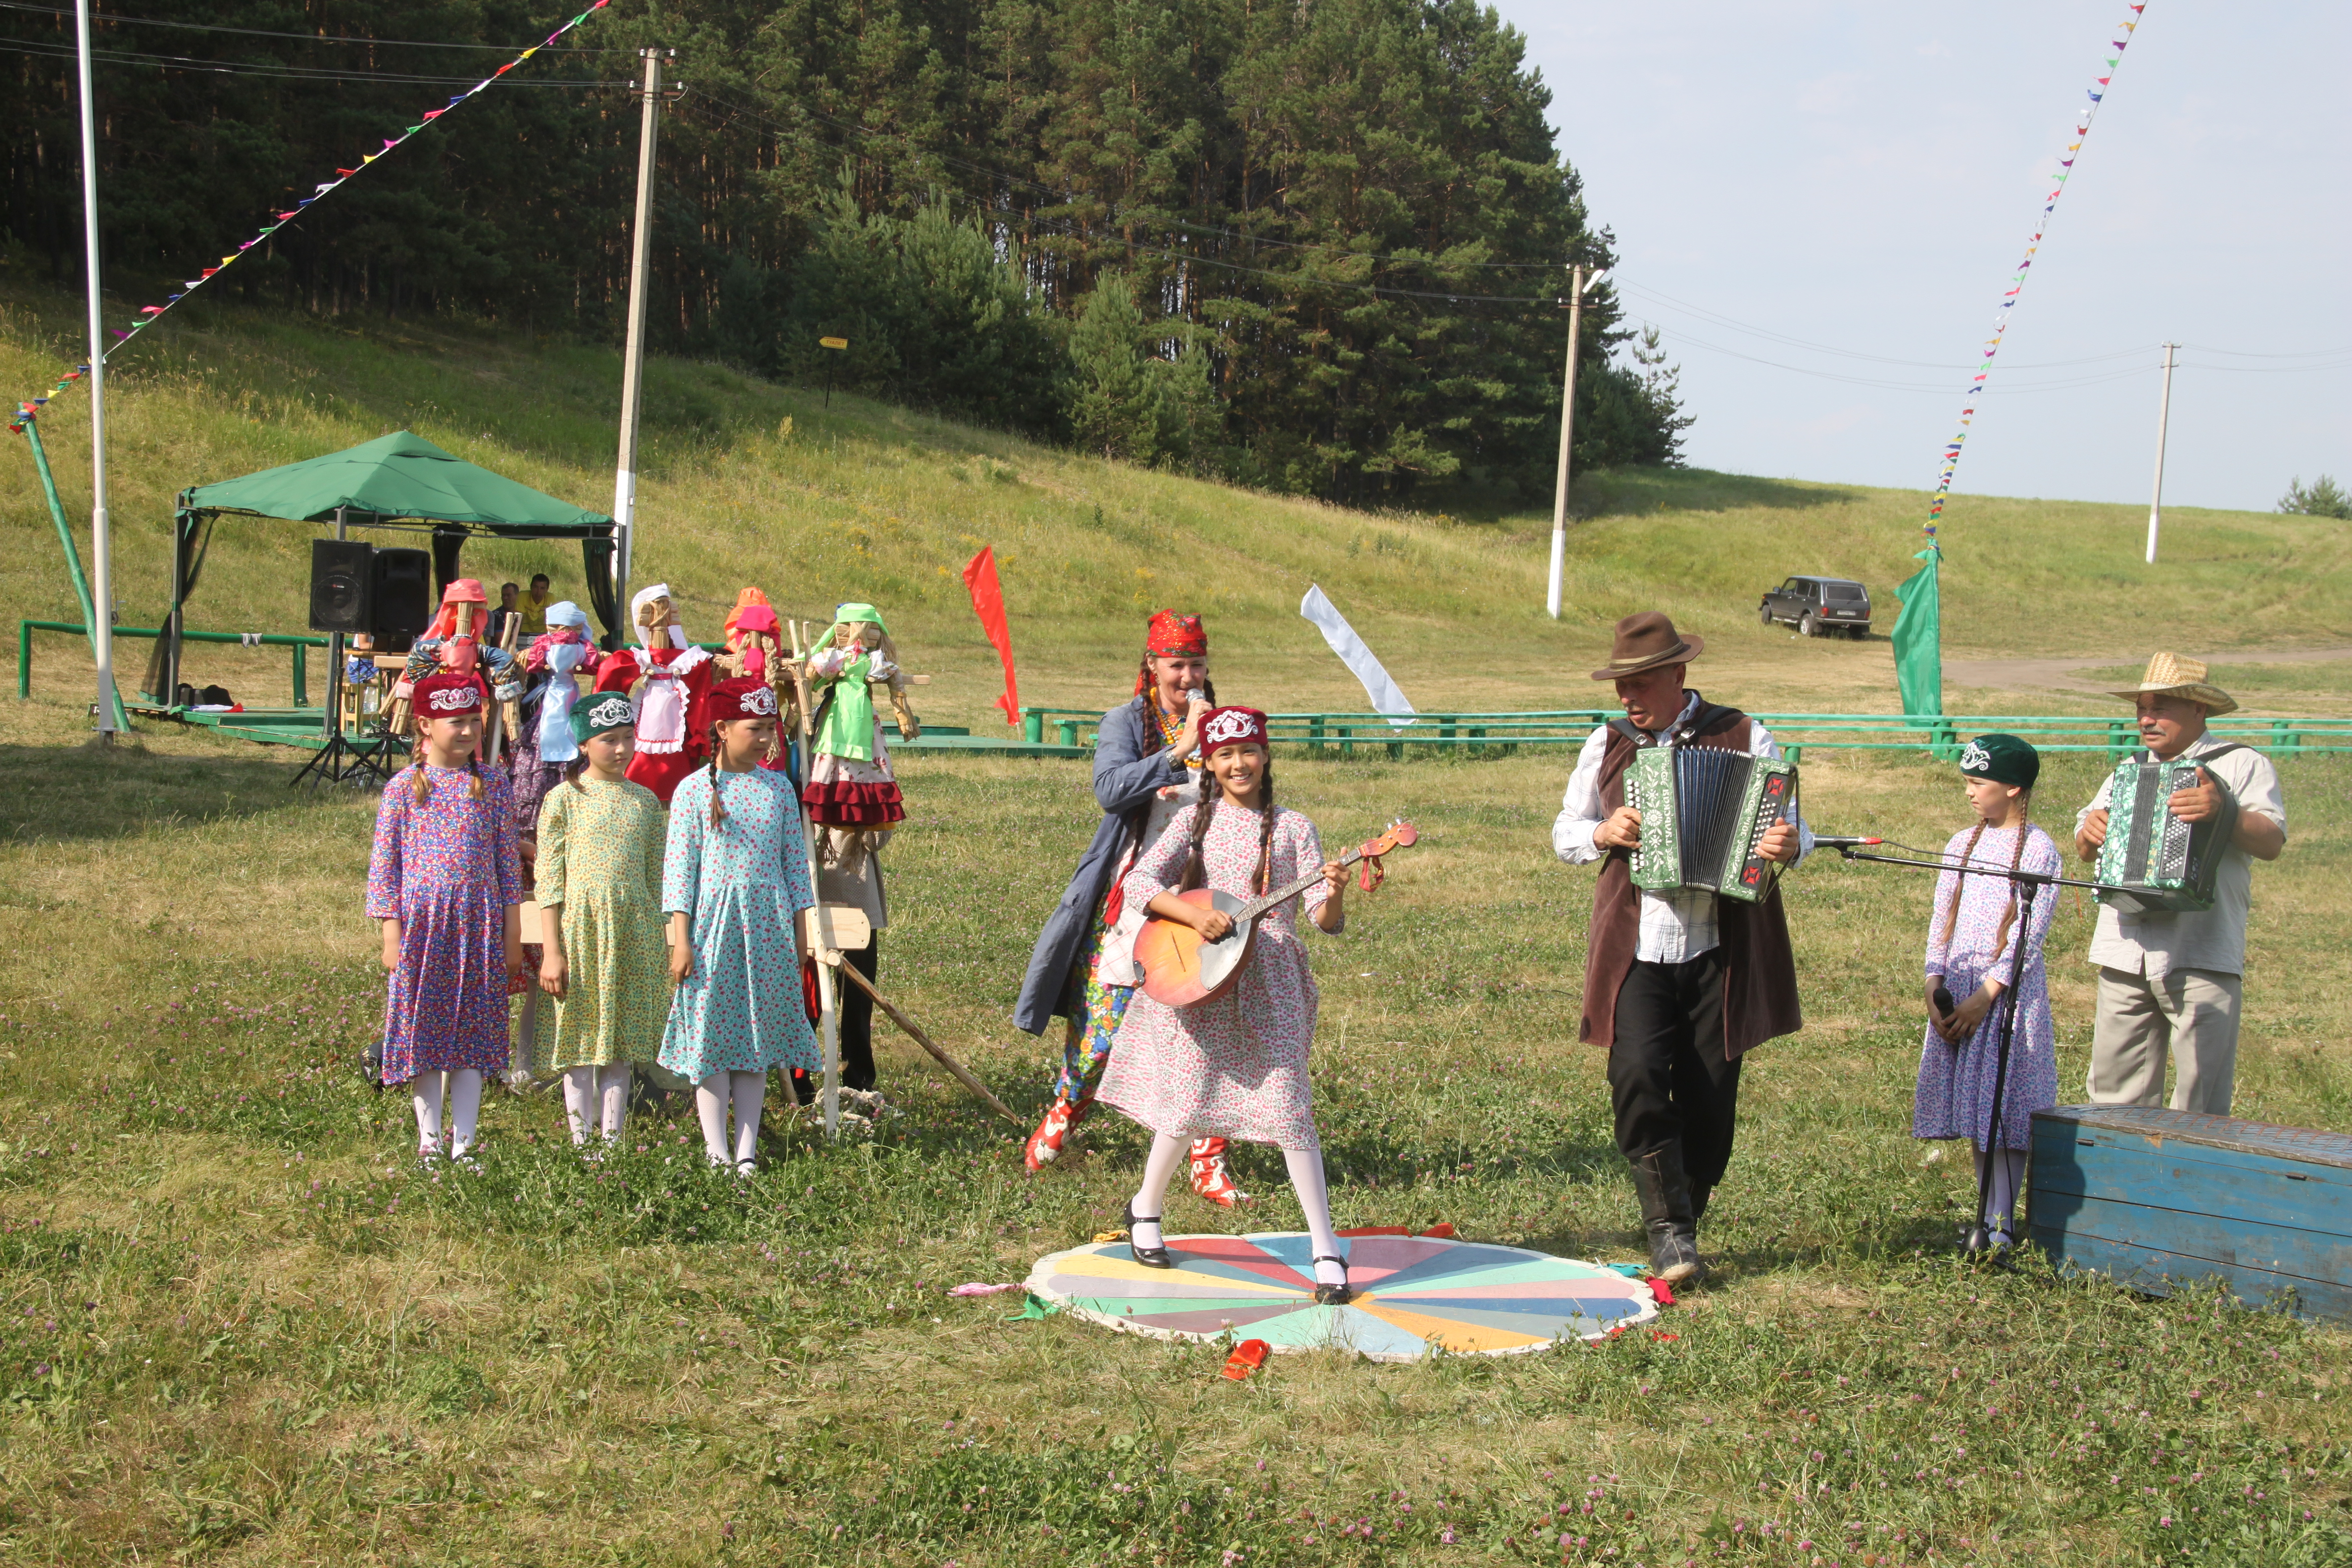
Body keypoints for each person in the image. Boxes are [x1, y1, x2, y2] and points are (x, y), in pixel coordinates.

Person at [1552, 612, 1807, 1284]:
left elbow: (1794, 830)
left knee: (1711, 1098)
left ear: (1679, 675)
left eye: (1640, 683)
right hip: (1638, 943)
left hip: (1722, 943)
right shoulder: (1606, 745)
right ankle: (1670, 1231)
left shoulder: (1745, 734)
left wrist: (1788, 844)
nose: (1628, 699)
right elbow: (1566, 831)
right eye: (1620, 686)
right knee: (1634, 1074)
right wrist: (1603, 832)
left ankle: (1686, 1209)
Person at [1093, 707, 1357, 1300]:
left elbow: (1321, 919)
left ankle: (1324, 1249)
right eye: (1225, 755)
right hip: (1200, 976)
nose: (1239, 764)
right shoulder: (1193, 823)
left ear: (1266, 757)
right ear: (1208, 764)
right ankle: (1147, 1207)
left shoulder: (1294, 829)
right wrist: (1193, 914)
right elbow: (1138, 884)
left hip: (1272, 984)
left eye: (1249, 752)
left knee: (1291, 1106)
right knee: (1188, 1100)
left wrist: (1334, 893)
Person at [1013, 610, 1247, 1206]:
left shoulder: (1225, 724)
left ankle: (1207, 1157)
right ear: (1152, 666)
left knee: (1210, 1027)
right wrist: (1183, 749)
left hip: (1205, 898)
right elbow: (1110, 790)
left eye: (1197, 665)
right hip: (1135, 894)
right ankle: (1066, 1110)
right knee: (1102, 1026)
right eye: (1177, 665)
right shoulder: (1126, 721)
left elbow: (1250, 793)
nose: (1189, 677)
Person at [2074, 654, 2287, 1116]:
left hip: (2202, 950)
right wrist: (2089, 830)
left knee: (2201, 1100)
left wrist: (2224, 810)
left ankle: (2191, 1182)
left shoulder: (2241, 764)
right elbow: (2085, 844)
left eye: (2162, 707)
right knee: (2112, 1096)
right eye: (2142, 708)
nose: (2147, 719)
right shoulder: (2126, 769)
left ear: (2199, 710)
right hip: (2124, 949)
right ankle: (2121, 1185)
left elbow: (2272, 842)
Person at [660, 678, 821, 1174]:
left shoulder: (778, 789)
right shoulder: (693, 791)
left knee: (756, 1044)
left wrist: (801, 934)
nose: (766, 739)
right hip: (712, 934)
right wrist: (681, 941)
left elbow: (796, 867)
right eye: (755, 729)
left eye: (771, 729)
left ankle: (747, 1151)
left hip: (768, 931)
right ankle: (716, 1150)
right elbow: (680, 871)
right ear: (723, 728)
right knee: (714, 1041)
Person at [367, 672, 525, 1164]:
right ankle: (429, 1141)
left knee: (472, 1038)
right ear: (425, 725)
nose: (466, 731)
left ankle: (466, 1142)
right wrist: (392, 936)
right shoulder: (402, 789)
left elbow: (506, 864)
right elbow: (384, 869)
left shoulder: (493, 785)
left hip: (477, 928)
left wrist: (512, 935)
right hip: (423, 930)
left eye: (472, 721)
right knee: (426, 1037)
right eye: (453, 722)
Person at [1915, 735, 2060, 1252]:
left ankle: (2002, 1223)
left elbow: (2029, 933)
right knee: (1980, 1113)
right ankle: (1986, 1215)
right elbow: (1941, 917)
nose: (1970, 793)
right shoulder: (1962, 843)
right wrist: (1935, 979)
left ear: (2015, 787)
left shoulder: (2040, 849)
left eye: (1979, 783)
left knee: (2005, 1111)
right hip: (1959, 989)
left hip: (2005, 1001)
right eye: (1968, 783)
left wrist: (1986, 995)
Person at [537, 691, 669, 1147]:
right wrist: (552, 951)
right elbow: (550, 882)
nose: (621, 750)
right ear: (583, 745)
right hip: (582, 934)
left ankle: (612, 1143)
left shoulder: (645, 802)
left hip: (635, 932)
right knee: (581, 1038)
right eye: (609, 740)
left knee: (620, 1040)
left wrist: (660, 941)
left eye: (627, 738)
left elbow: (657, 878)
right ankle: (582, 1140)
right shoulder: (563, 799)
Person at [802, 602, 920, 1097]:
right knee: (810, 976)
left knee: (860, 974)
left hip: (855, 867)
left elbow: (880, 794)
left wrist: (872, 829)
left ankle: (857, 1070)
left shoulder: (865, 726)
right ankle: (800, 1072)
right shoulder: (816, 724)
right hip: (814, 866)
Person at [594, 583, 715, 806]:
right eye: (656, 609)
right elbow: (614, 671)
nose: (660, 615)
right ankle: (639, 782)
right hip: (651, 704)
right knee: (644, 745)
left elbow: (700, 695)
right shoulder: (642, 659)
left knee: (676, 745)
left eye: (665, 608)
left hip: (673, 704)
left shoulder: (688, 661)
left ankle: (676, 789)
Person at [487, 582, 523, 648]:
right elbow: (500, 643)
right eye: (504, 595)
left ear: (517, 596)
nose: (505, 598)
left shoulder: (521, 614)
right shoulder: (496, 616)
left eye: (509, 595)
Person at [519, 573, 555, 638]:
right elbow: (518, 619)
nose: (538, 592)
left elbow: (554, 621)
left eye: (542, 588)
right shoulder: (522, 596)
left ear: (547, 589)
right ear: (531, 587)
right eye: (536, 587)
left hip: (543, 636)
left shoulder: (551, 598)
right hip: (524, 635)